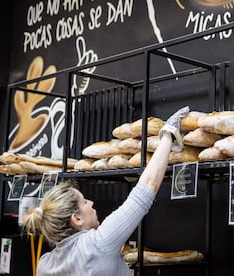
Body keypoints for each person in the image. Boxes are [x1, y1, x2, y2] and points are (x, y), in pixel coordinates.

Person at [22, 106, 190, 276]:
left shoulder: (44, 265)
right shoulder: (99, 244)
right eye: (84, 202)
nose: (91, 203)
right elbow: (147, 187)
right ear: (77, 219)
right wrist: (168, 133)